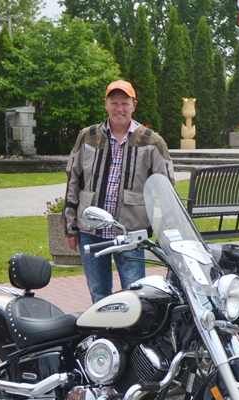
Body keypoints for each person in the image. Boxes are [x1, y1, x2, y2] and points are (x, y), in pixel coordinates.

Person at [63, 80, 174, 303]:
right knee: (99, 295)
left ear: (134, 105)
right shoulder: (88, 136)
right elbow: (73, 180)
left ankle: (132, 338)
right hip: (91, 230)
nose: (119, 108)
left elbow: (165, 189)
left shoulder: (152, 141)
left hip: (130, 233)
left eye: (125, 103)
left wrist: (167, 228)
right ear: (106, 104)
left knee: (135, 296)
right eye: (114, 103)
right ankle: (104, 335)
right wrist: (70, 227)